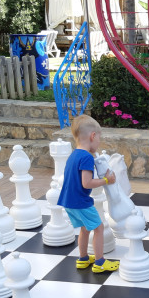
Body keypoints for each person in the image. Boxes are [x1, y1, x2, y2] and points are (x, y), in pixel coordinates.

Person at [57, 115, 120, 273]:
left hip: (68, 201)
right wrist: (106, 180)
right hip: (80, 202)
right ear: (93, 136)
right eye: (99, 138)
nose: (99, 142)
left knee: (85, 229)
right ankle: (100, 262)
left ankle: (83, 258)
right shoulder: (86, 157)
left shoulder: (74, 155)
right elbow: (87, 183)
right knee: (99, 228)